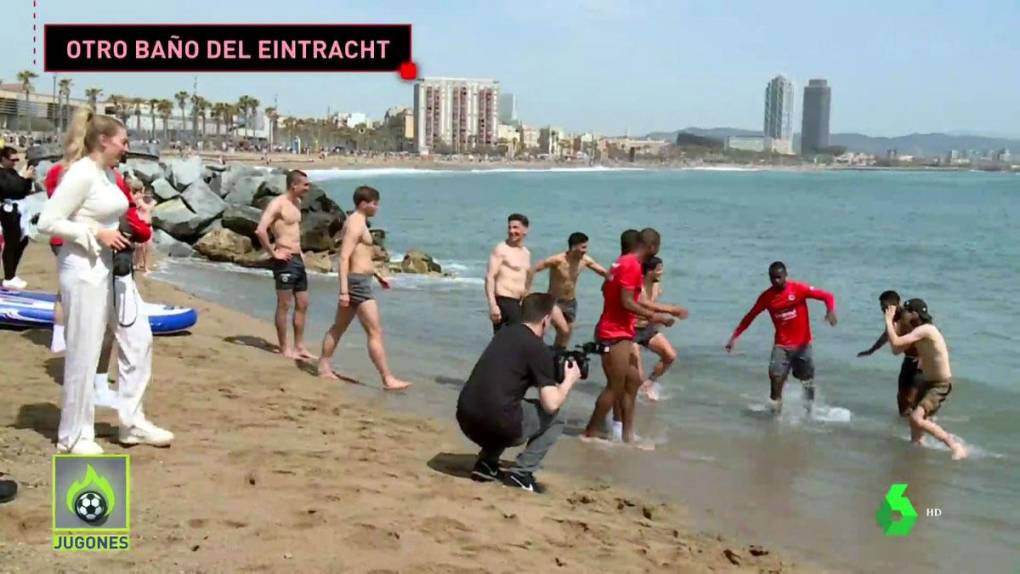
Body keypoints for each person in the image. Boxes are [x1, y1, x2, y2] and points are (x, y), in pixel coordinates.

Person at [38, 108, 173, 455]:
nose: (128, 148)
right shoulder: (82, 173)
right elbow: (48, 221)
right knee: (85, 348)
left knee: (138, 338)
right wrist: (97, 232)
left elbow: (118, 213)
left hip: (114, 271)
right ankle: (74, 434)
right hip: (83, 270)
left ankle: (132, 421)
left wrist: (131, 228)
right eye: (123, 141)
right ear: (103, 140)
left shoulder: (110, 176)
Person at [456, 293, 582, 492]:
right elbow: (551, 404)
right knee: (557, 417)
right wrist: (569, 380)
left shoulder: (504, 334)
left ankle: (487, 464)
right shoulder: (536, 347)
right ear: (546, 320)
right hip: (496, 424)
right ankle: (522, 473)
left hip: (466, 419)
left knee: (506, 401)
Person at [582, 229, 684, 445]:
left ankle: (628, 436)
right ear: (653, 247)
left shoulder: (621, 263)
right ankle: (590, 433)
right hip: (613, 333)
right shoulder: (631, 265)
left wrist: (670, 311)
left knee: (633, 381)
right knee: (615, 386)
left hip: (621, 330)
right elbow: (627, 301)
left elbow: (615, 291)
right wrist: (656, 316)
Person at [317, 185, 410, 390]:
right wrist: (343, 291)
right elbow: (344, 257)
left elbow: (363, 256)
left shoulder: (359, 222)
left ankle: (323, 366)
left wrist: (377, 275)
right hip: (357, 283)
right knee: (375, 332)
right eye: (374, 204)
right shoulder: (355, 224)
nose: (377, 207)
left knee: (338, 327)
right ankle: (387, 379)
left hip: (360, 280)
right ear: (363, 204)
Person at [725, 261, 837, 413]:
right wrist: (734, 337)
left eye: (778, 277)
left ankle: (809, 411)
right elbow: (750, 316)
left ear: (785, 275)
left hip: (803, 345)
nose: (775, 281)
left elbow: (827, 296)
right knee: (775, 377)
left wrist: (830, 311)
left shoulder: (798, 289)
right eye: (772, 278)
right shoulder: (767, 297)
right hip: (782, 345)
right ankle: (775, 412)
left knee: (807, 380)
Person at [884, 299, 967, 460]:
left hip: (940, 384)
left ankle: (955, 446)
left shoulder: (926, 330)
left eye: (906, 311)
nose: (904, 314)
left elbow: (896, 341)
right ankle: (915, 457)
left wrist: (888, 320)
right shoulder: (918, 332)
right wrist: (893, 325)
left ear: (915, 314)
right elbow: (895, 349)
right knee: (914, 425)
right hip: (927, 382)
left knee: (916, 418)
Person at [255, 170, 315, 360]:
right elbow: (260, 230)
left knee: (303, 303)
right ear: (293, 185)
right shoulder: (277, 204)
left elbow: (293, 231)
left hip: (297, 259)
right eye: (305, 184)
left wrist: (302, 253)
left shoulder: (297, 203)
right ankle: (284, 348)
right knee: (284, 304)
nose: (308, 188)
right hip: (284, 260)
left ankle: (299, 346)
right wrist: (273, 253)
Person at [530, 231, 607, 348]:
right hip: (553, 301)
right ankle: (534, 349)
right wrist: (528, 291)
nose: (585, 250)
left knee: (566, 336)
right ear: (574, 247)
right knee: (563, 330)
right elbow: (533, 269)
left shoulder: (585, 260)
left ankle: (556, 357)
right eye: (583, 247)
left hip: (570, 302)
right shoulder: (557, 260)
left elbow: (603, 272)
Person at [857, 290, 922, 416]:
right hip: (908, 360)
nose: (883, 311)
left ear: (896, 305)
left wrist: (924, 357)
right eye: (882, 307)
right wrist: (871, 350)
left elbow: (928, 334)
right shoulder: (891, 319)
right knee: (901, 399)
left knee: (911, 399)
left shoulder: (909, 316)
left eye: (886, 307)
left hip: (921, 363)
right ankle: (903, 431)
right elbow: (887, 335)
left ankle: (920, 426)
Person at [633, 256, 680, 402]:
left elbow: (654, 305)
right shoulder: (636, 287)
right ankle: (633, 397)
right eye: (659, 269)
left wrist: (659, 321)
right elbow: (639, 309)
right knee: (637, 375)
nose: (662, 272)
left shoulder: (656, 286)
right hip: (631, 330)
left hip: (647, 328)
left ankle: (650, 382)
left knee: (670, 355)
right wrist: (662, 318)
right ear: (648, 271)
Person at [485, 213, 532, 332]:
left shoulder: (526, 253)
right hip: (504, 301)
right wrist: (493, 305)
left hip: (518, 303)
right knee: (514, 340)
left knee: (507, 343)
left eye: (515, 227)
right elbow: (490, 277)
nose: (511, 231)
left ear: (525, 230)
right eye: (510, 227)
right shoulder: (501, 249)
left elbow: (526, 278)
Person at [0, 146, 36, 289]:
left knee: (22, 239)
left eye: (16, 159)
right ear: (3, 159)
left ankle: (12, 274)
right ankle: (9, 276)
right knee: (11, 242)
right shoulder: (2, 173)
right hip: (9, 209)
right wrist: (23, 179)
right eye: (12, 159)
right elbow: (10, 188)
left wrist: (27, 179)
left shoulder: (12, 172)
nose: (15, 162)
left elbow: (23, 190)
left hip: (21, 208)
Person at [130, 179, 155, 272]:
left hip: (149, 226)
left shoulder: (154, 202)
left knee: (148, 247)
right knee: (139, 247)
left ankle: (146, 266)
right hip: (140, 225)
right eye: (146, 193)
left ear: (152, 194)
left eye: (150, 194)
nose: (148, 195)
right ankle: (137, 263)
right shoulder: (139, 201)